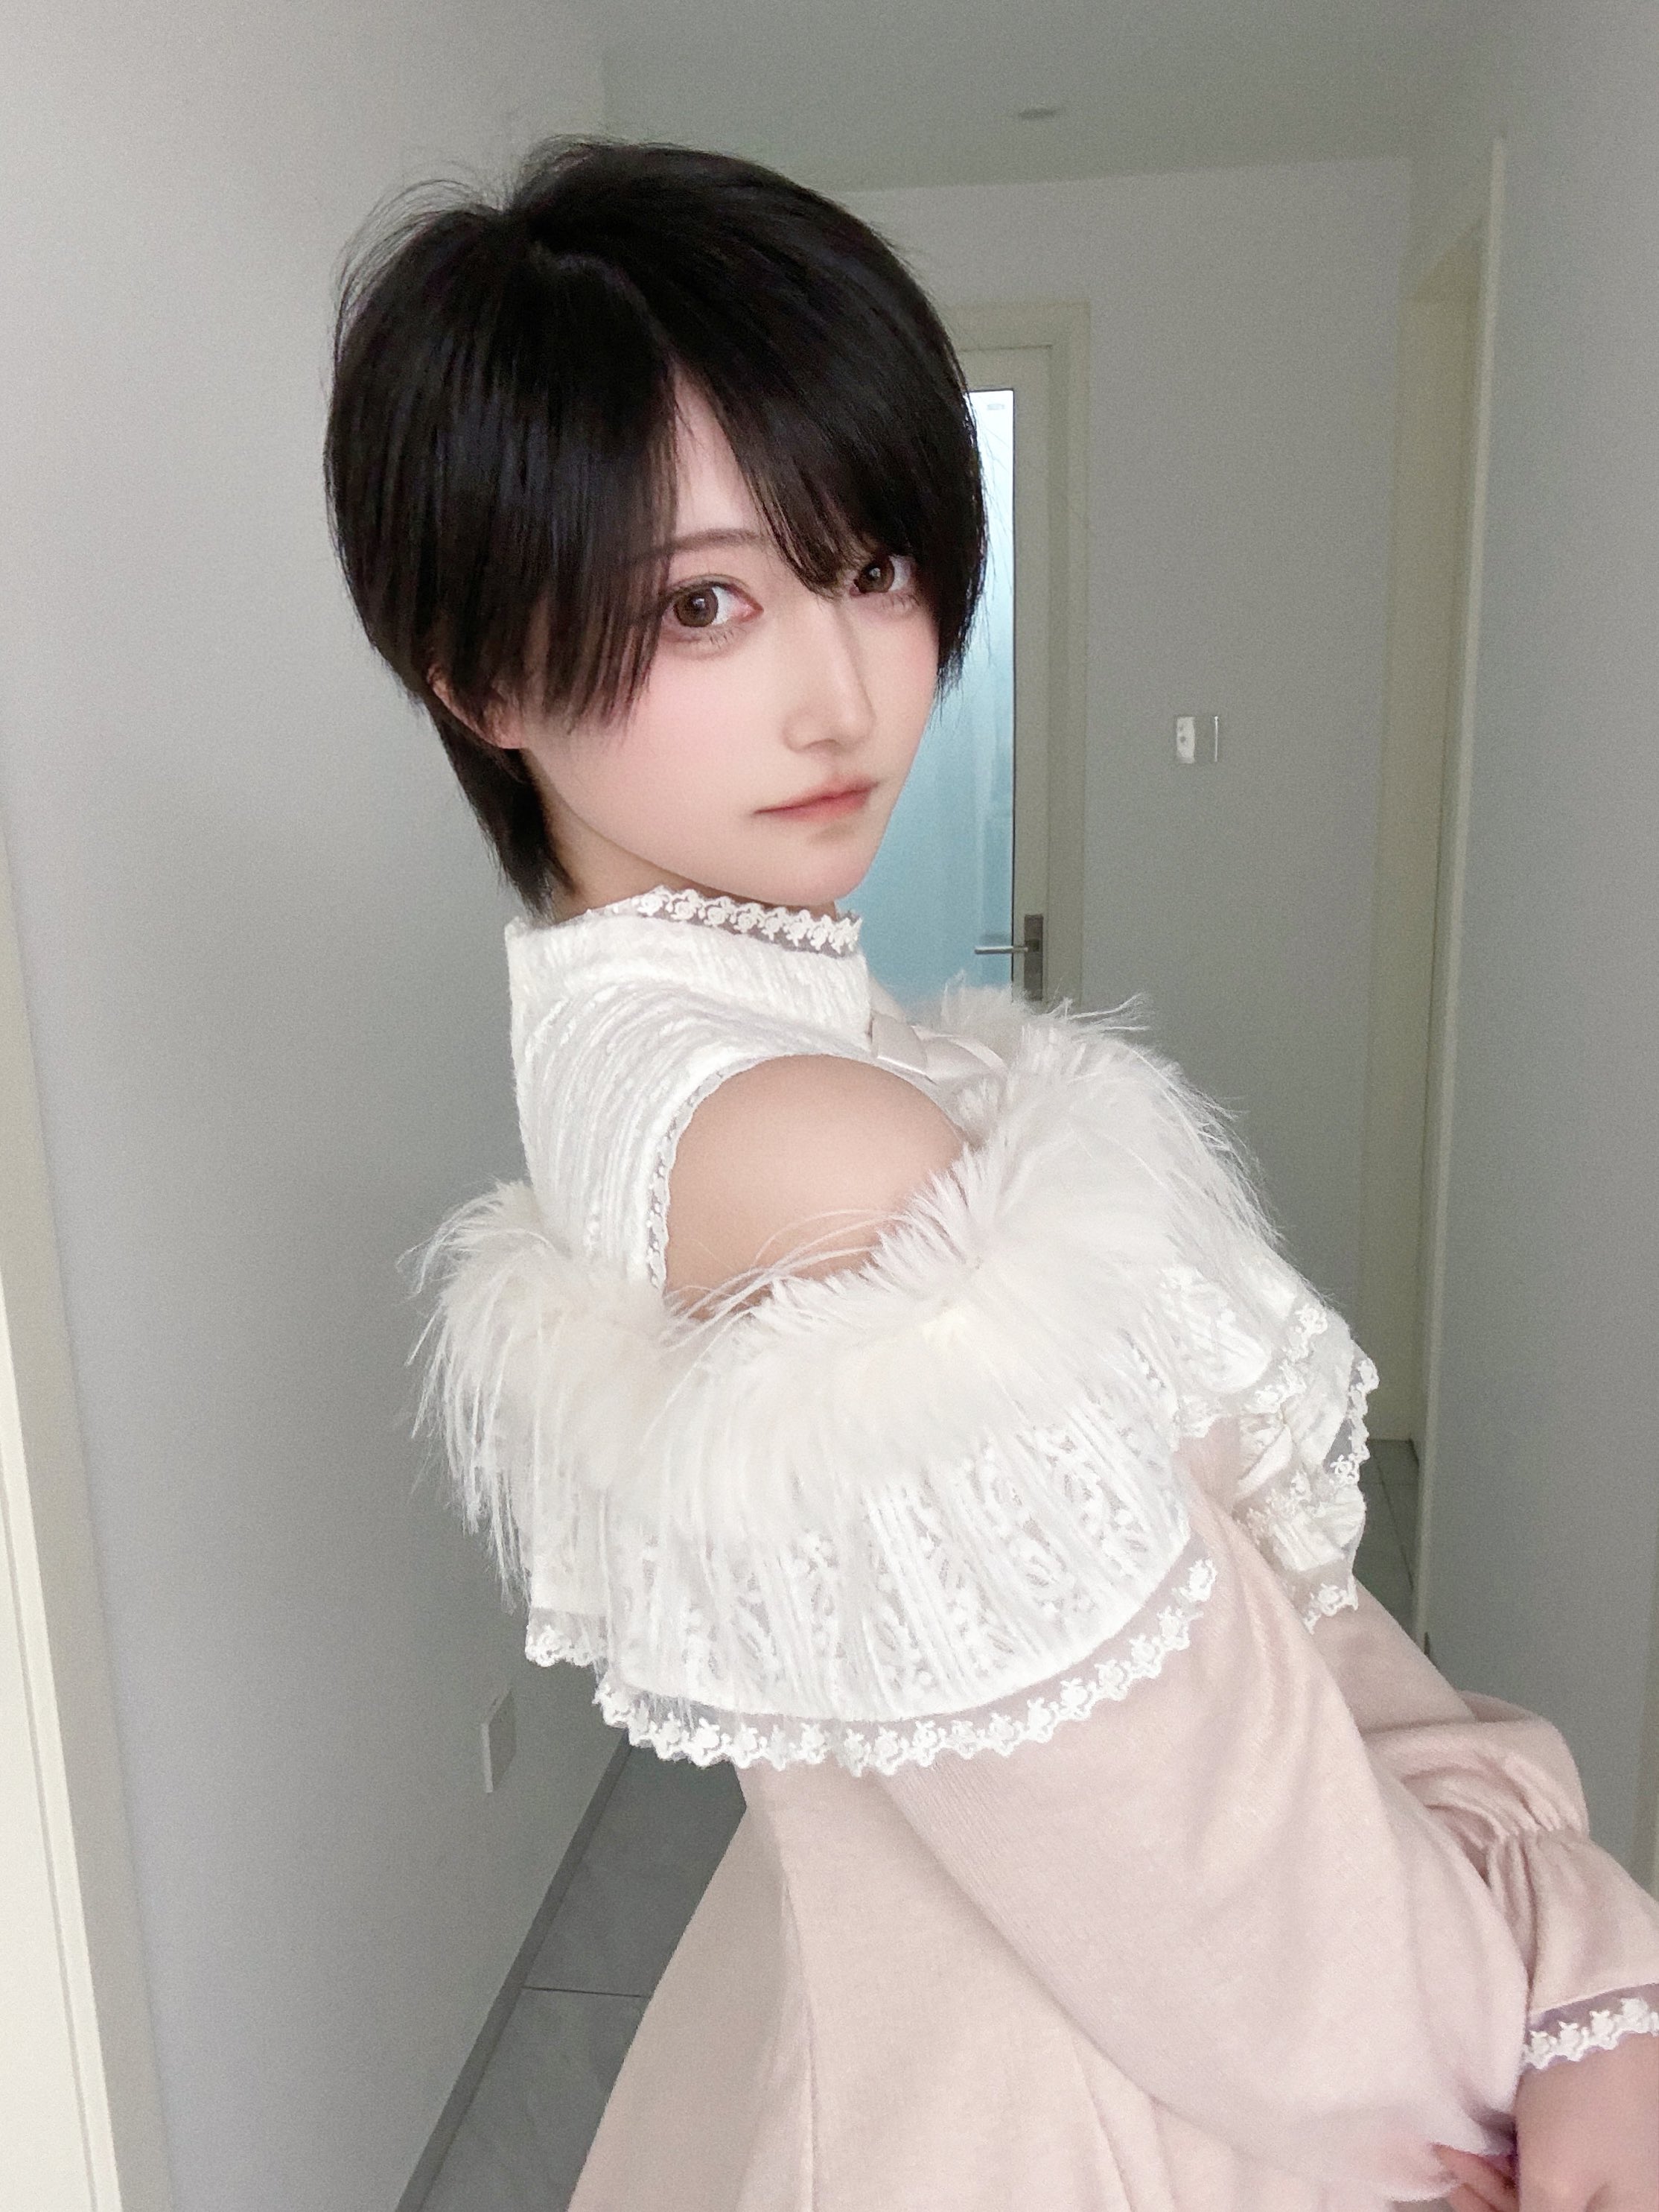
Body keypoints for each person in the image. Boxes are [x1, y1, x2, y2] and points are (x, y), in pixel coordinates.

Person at [324, 137, 1659, 2212]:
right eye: (702, 602)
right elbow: (1219, 1887)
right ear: (480, 672)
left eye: (869, 564)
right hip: (1114, 2105)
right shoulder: (805, 1145)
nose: (844, 688)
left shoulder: (683, 1055)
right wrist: (1565, 1989)